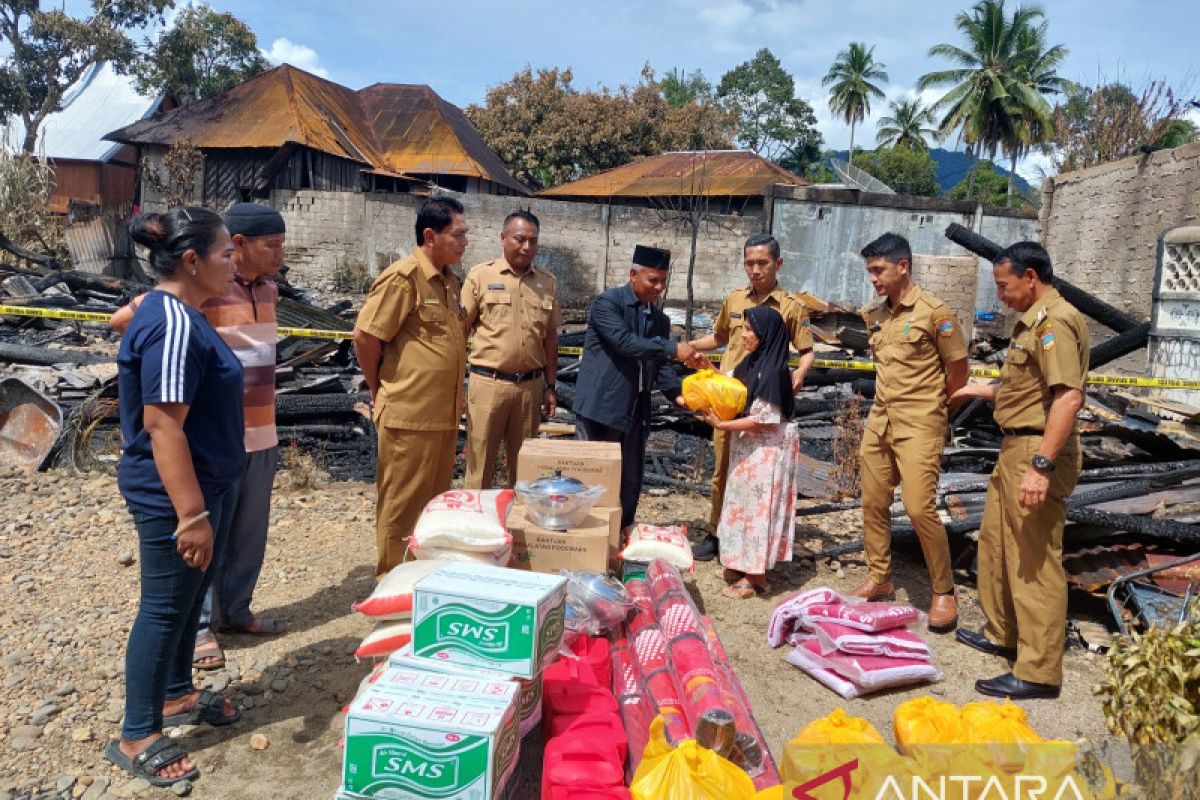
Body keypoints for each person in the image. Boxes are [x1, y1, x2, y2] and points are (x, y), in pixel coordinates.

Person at [110, 203, 289, 669]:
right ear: (239, 245)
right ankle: (203, 628)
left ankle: (236, 609)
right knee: (207, 538)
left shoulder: (268, 289)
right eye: (273, 245)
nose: (281, 255)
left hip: (261, 429)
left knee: (248, 533)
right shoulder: (195, 294)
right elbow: (123, 320)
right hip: (214, 437)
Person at [105, 208, 244, 787]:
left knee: (189, 600)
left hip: (204, 484)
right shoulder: (174, 324)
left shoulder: (169, 309)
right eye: (225, 254)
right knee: (163, 609)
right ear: (192, 261)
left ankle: (177, 696)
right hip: (175, 497)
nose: (234, 263)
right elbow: (164, 427)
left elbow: (126, 321)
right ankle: (137, 731)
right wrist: (191, 516)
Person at [952, 241, 1088, 700]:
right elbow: (1022, 390)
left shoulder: (1056, 324)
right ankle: (1003, 635)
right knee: (996, 545)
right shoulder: (1029, 325)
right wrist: (972, 390)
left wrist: (1041, 466)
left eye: (1004, 286)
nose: (1001, 296)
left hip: (1037, 449)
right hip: (1014, 448)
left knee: (1034, 559)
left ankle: (1039, 671)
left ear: (1031, 277)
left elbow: (1067, 398)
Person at [851, 233, 969, 634]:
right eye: (869, 271)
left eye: (878, 270)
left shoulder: (936, 313)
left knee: (920, 508)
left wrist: (939, 409)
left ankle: (943, 590)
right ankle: (880, 576)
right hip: (880, 421)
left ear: (903, 266)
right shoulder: (876, 316)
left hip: (920, 422)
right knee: (872, 502)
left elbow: (958, 369)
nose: (873, 279)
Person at [354, 196, 468, 578]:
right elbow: (367, 337)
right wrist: (379, 388)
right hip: (408, 413)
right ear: (430, 235)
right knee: (401, 507)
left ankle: (420, 581)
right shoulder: (403, 278)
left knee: (432, 508)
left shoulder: (450, 282)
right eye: (458, 234)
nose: (465, 242)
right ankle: (391, 581)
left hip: (442, 416)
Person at [685, 233, 814, 561]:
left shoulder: (791, 307)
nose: (755, 270)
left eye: (762, 263)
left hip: (762, 400)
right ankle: (717, 533)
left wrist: (798, 374)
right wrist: (686, 347)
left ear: (778, 264)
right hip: (728, 398)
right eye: (749, 263)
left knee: (755, 473)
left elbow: (808, 350)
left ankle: (751, 540)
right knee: (723, 467)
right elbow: (717, 337)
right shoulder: (734, 300)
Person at [572, 245, 697, 531]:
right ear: (633, 275)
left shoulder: (659, 319)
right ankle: (589, 538)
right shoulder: (607, 304)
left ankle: (622, 535)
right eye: (653, 280)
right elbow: (625, 342)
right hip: (601, 408)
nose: (659, 287)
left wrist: (679, 394)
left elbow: (660, 364)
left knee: (630, 479)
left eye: (663, 281)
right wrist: (671, 348)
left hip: (636, 410)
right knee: (596, 478)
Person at [699, 306, 801, 599]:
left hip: (766, 452)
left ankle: (755, 577)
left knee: (759, 510)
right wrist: (705, 366)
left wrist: (723, 424)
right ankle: (740, 564)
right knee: (741, 505)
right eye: (742, 328)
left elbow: (763, 417)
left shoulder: (774, 370)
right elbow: (730, 385)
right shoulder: (753, 362)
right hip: (749, 449)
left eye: (749, 330)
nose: (743, 335)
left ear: (765, 334)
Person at [461, 210, 561, 488]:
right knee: (479, 467)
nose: (527, 247)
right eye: (519, 239)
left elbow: (550, 339)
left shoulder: (547, 283)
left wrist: (550, 386)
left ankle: (517, 529)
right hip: (487, 385)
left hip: (529, 389)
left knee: (525, 472)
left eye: (533, 241)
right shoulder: (480, 276)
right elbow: (460, 333)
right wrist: (458, 383)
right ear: (503, 238)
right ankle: (476, 527)